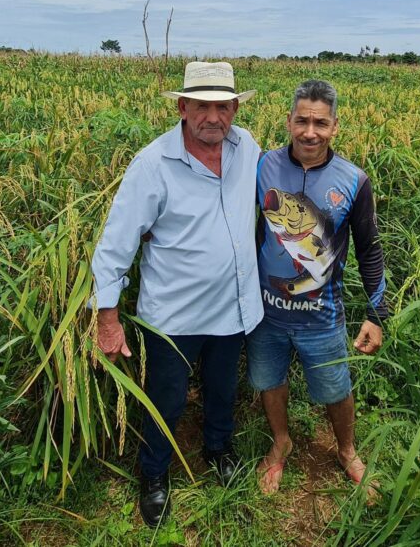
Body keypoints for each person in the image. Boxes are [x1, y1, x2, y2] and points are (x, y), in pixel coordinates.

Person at [90, 61, 263, 527]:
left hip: (233, 306)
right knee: (165, 396)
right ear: (182, 107)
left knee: (223, 388)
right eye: (203, 106)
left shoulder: (247, 147)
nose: (214, 117)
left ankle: (218, 448)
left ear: (234, 109)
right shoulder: (153, 164)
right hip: (174, 316)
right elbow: (117, 242)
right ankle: (154, 474)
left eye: (223, 106)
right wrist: (107, 318)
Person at [248, 79, 388, 495]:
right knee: (269, 381)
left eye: (321, 123)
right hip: (265, 311)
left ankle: (346, 450)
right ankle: (281, 442)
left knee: (335, 388)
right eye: (303, 121)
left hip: (322, 315)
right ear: (289, 121)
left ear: (335, 127)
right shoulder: (262, 166)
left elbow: (370, 249)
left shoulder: (353, 180)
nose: (311, 132)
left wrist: (377, 314)